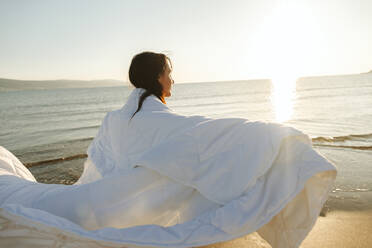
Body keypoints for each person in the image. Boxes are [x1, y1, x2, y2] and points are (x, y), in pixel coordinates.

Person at [0, 51, 337, 248]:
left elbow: (100, 162)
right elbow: (199, 137)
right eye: (170, 73)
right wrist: (272, 135)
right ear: (159, 78)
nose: (173, 80)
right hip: (128, 200)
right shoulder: (155, 117)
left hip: (111, 197)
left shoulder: (117, 116)